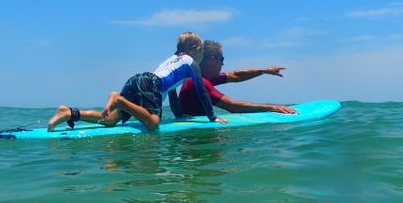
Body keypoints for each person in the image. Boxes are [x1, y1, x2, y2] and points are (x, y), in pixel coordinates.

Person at [47, 32, 227, 132]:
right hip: (151, 83)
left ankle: (69, 112)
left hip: (138, 79)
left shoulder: (172, 60)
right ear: (195, 49)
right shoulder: (191, 63)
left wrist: (179, 115)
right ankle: (119, 100)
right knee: (153, 123)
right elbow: (202, 91)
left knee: (110, 120)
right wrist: (212, 117)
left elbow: (172, 91)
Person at [178, 40, 297, 116]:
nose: (223, 64)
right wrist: (272, 107)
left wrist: (264, 71)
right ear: (212, 59)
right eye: (222, 59)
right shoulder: (199, 82)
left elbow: (235, 75)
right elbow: (232, 106)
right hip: (195, 139)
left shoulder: (202, 78)